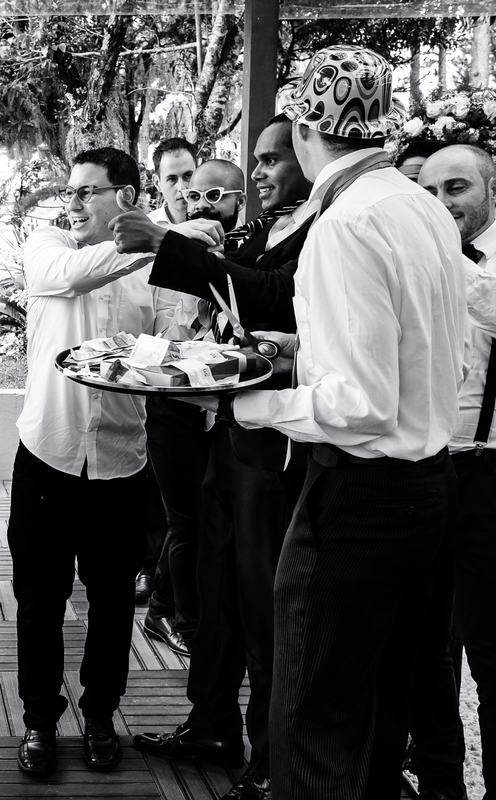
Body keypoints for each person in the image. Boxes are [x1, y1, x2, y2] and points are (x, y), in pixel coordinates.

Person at [217, 47, 465, 800]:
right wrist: (300, 350)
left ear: (301, 129)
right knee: (384, 719)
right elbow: (416, 350)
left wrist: (244, 402)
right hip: (429, 493)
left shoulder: (344, 223)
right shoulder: (418, 205)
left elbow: (360, 404)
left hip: (359, 503)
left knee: (314, 723)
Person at [114, 114, 314, 800]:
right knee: (214, 582)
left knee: (262, 603)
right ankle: (211, 724)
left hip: (277, 444)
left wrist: (169, 240)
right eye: (255, 160)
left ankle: (267, 756)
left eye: (272, 159)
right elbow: (232, 294)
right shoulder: (262, 230)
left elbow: (271, 298)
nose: (259, 172)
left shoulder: (321, 231)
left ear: (311, 154)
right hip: (227, 435)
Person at [10, 146, 220, 775]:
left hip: (124, 465)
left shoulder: (153, 268)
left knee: (110, 604)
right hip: (47, 457)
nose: (72, 203)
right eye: (70, 191)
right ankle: (40, 721)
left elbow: (175, 346)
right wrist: (167, 238)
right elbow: (76, 277)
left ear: (126, 197)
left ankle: (100, 715)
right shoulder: (46, 245)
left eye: (88, 192)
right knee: (38, 600)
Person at [412, 143, 496, 800]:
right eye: (429, 190)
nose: (442, 203)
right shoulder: (420, 259)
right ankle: (441, 783)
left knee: (490, 655)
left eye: (457, 187)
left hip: (488, 479)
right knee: (422, 648)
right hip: (420, 471)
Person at [137, 156, 245, 657]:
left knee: (209, 520)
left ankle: (171, 605)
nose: (198, 201)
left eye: (212, 195)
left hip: (226, 409)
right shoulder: (161, 257)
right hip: (174, 404)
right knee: (187, 521)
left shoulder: (250, 255)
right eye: (190, 193)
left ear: (239, 201)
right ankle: (175, 617)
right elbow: (143, 333)